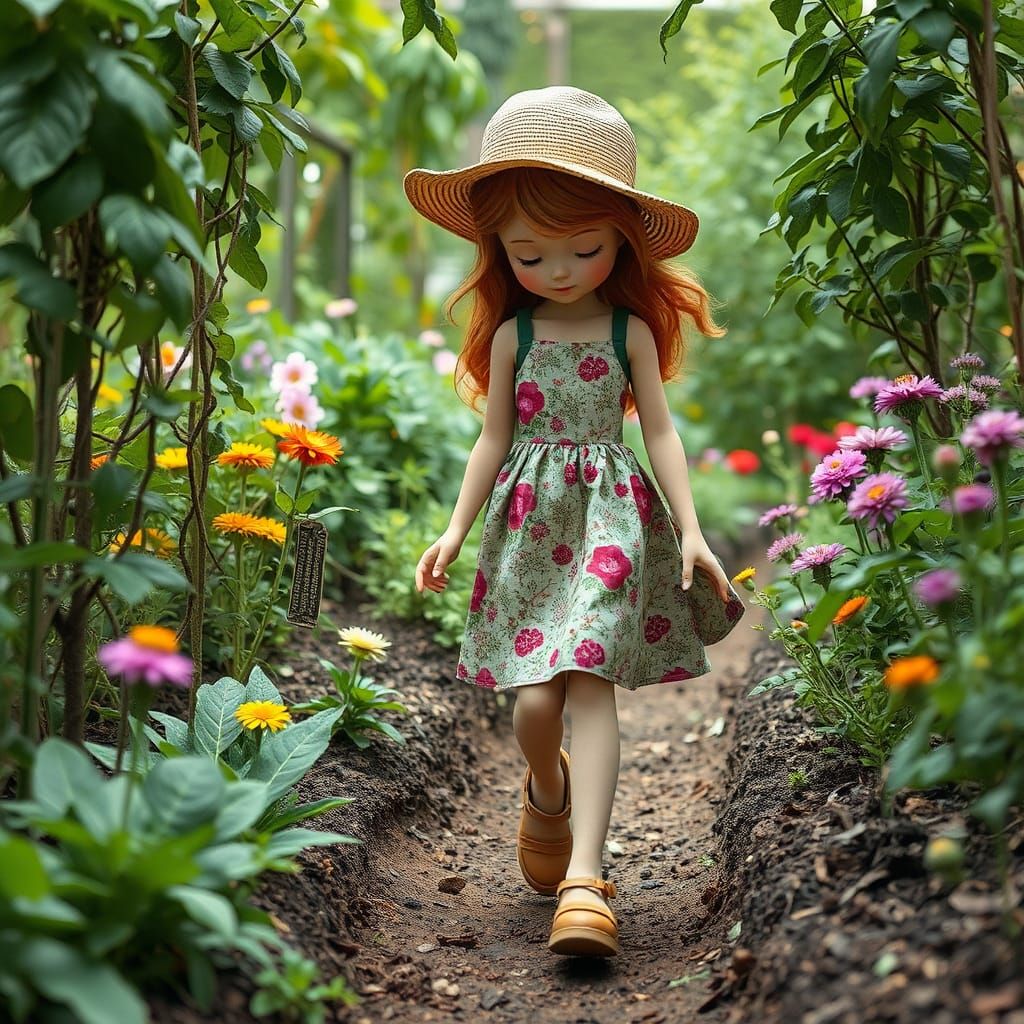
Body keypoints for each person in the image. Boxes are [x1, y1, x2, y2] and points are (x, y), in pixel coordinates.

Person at [405, 86, 746, 959]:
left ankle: (587, 879)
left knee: (589, 669)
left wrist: (692, 526)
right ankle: (545, 790)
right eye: (530, 254)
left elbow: (659, 429)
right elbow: (492, 439)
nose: (559, 270)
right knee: (533, 705)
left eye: (583, 249)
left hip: (609, 516)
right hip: (528, 522)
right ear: (500, 253)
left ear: (620, 241)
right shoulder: (515, 336)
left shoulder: (628, 328)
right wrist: (452, 528)